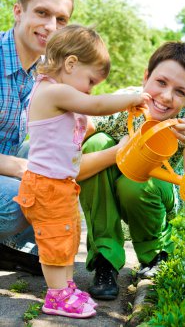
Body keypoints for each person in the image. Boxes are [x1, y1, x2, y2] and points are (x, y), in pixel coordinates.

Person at [13, 24, 151, 319]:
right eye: (91, 80)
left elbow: (86, 117)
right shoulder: (53, 91)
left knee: (67, 237)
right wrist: (131, 98)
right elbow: (96, 105)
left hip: (59, 184)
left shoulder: (60, 95)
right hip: (46, 185)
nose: (91, 89)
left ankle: (65, 286)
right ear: (71, 63)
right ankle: (56, 296)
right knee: (54, 241)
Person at [77, 41, 185, 300]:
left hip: (152, 199)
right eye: (161, 82)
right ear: (146, 76)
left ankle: (155, 256)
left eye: (179, 91)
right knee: (95, 143)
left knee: (139, 179)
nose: (165, 96)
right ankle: (105, 260)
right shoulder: (126, 104)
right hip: (110, 191)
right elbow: (74, 137)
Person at [0, 0, 74, 275]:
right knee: (18, 203)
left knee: (66, 169)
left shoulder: (41, 74)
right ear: (18, 12)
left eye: (61, 19)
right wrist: (24, 171)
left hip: (7, 166)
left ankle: (13, 248)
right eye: (42, 13)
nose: (51, 27)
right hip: (8, 173)